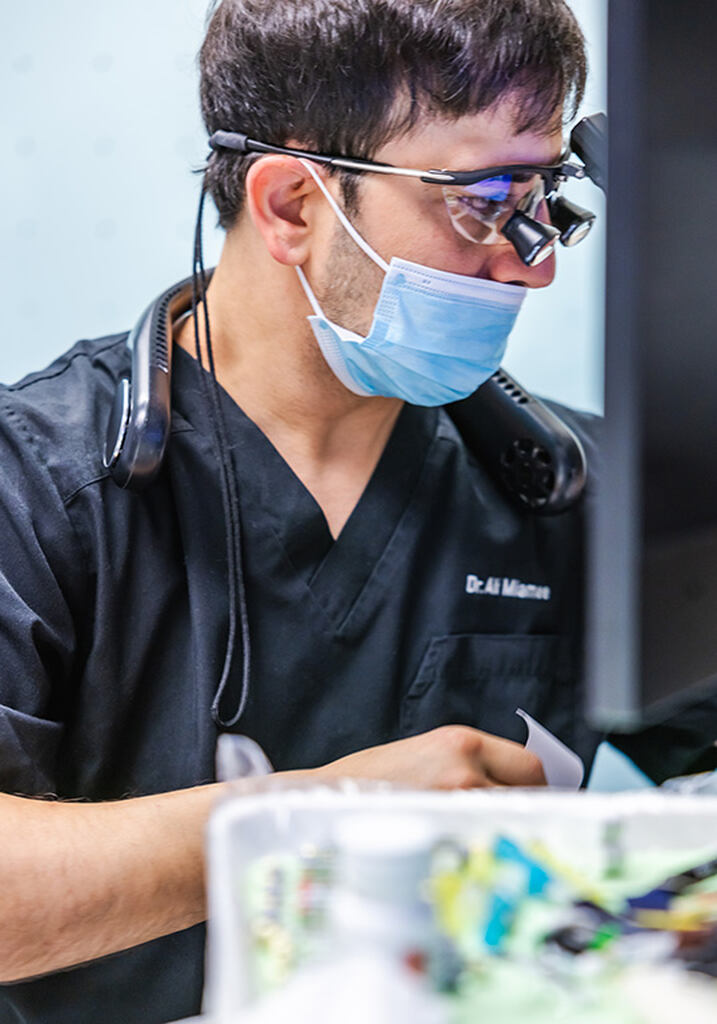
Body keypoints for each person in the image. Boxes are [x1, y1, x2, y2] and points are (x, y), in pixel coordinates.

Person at [2, 1, 716, 1021]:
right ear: (293, 204)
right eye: (482, 202)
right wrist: (336, 821)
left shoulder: (570, 489)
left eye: (546, 196)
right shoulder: (39, 485)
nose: (538, 262)